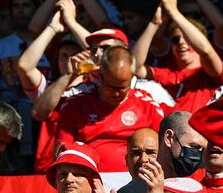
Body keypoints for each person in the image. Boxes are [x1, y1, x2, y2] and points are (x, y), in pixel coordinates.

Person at [45, 46, 166, 174]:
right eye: (110, 87)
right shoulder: (75, 105)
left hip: (137, 182)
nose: (116, 94)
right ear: (100, 77)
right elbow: (60, 155)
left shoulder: (148, 105)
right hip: (89, 181)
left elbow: (164, 152)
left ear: (132, 78)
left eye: (122, 88)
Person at [132, 0, 223, 114]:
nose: (181, 42)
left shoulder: (208, 74)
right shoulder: (166, 75)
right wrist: (155, 23)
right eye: (175, 40)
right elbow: (134, 66)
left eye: (188, 39)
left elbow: (206, 51)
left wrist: (174, 13)